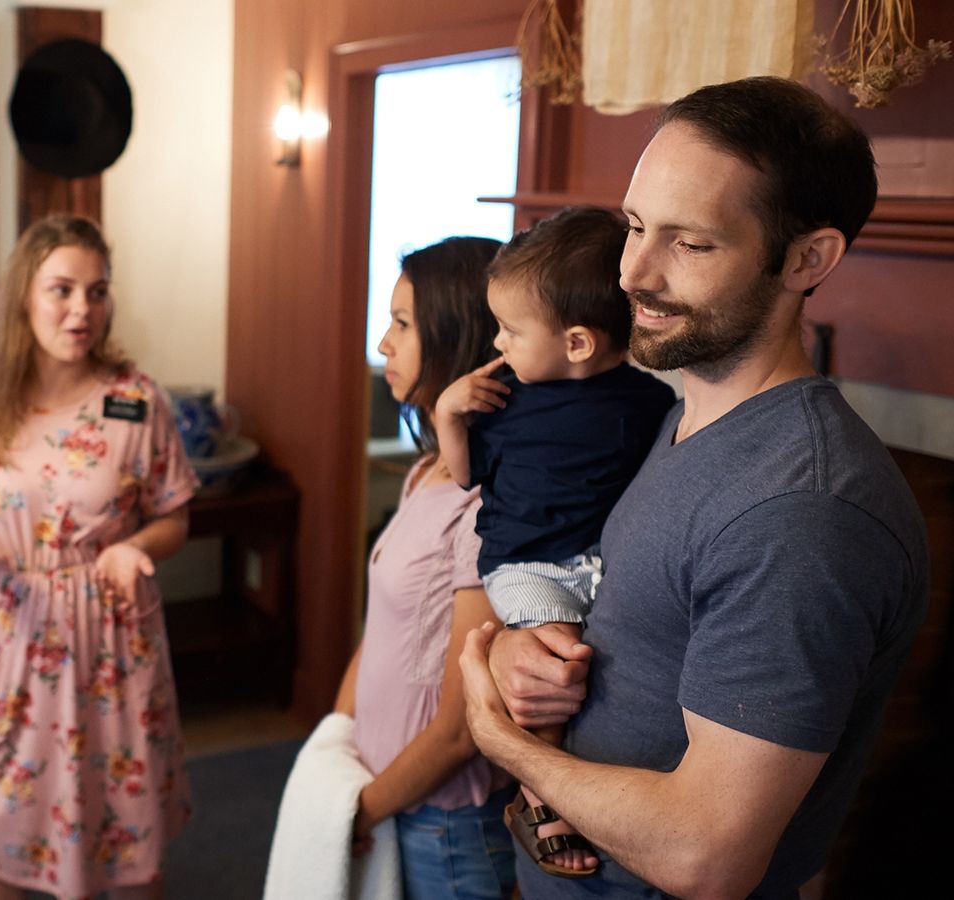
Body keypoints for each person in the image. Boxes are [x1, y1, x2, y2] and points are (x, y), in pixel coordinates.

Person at [457, 76, 930, 899]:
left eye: (691, 244)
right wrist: (520, 651)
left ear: (808, 259)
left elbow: (705, 857)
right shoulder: (687, 418)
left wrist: (506, 742)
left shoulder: (803, 513)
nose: (633, 272)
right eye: (636, 226)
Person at [0, 214, 199, 900]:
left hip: (113, 641)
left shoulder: (136, 400)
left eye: (97, 292)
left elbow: (173, 515)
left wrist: (135, 548)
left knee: (123, 823)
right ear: (23, 296)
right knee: (2, 815)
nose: (82, 310)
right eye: (62, 289)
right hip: (8, 641)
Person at [432, 207, 676, 878]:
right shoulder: (502, 395)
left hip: (599, 563)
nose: (498, 343)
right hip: (524, 564)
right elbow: (462, 474)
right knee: (557, 652)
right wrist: (446, 412)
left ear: (577, 343)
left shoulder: (650, 403)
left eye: (510, 330)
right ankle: (538, 795)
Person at [331, 236, 519, 899]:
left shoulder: (487, 506)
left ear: (457, 333)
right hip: (385, 796)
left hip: (447, 828)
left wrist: (362, 808)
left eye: (403, 324)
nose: (384, 343)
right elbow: (379, 635)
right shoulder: (423, 476)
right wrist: (333, 750)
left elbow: (460, 729)